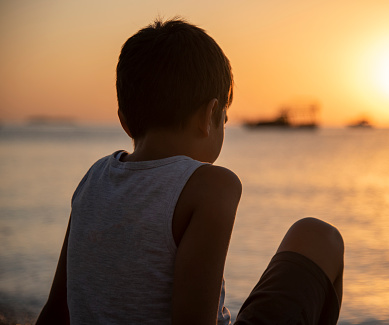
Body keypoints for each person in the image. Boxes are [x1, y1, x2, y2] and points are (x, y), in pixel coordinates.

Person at [36, 17, 344, 325]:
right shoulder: (212, 186)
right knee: (318, 235)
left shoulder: (94, 178)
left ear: (124, 121)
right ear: (210, 115)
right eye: (223, 120)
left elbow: (56, 311)